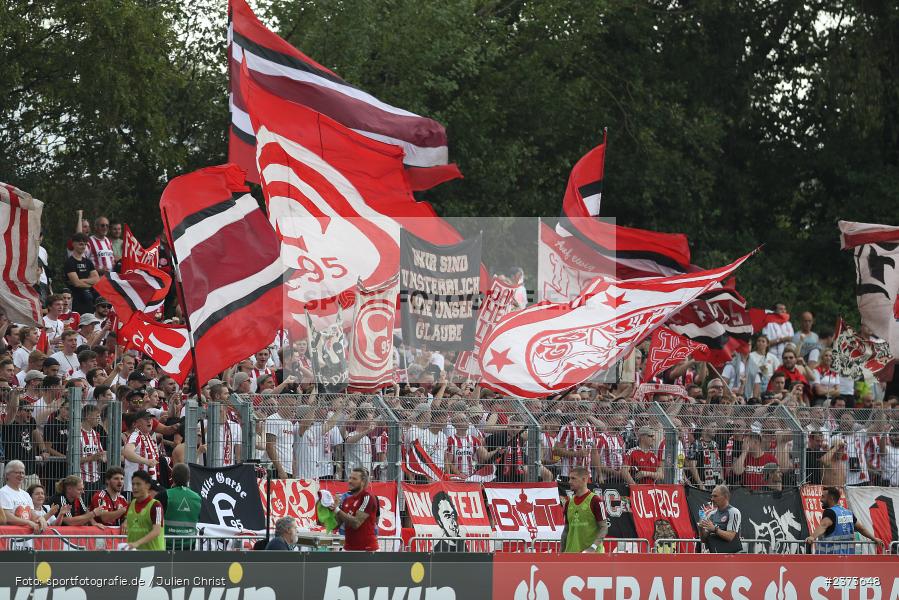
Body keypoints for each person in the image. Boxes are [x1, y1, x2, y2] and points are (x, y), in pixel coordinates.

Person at [806, 486, 884, 554]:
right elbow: (861, 528)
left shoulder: (830, 512)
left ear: (831, 498)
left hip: (830, 558)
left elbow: (823, 525)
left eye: (823, 496)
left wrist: (812, 537)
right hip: (847, 557)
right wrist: (874, 538)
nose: (820, 499)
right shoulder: (848, 512)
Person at [560, 466, 609, 553]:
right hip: (571, 554)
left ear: (584, 479)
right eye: (569, 478)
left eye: (573, 478)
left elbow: (604, 527)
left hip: (592, 557)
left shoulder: (596, 501)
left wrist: (593, 548)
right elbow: (566, 530)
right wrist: (560, 552)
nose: (569, 481)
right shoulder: (568, 503)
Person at [154, 463, 201, 550]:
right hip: (189, 545)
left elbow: (153, 519)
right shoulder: (197, 498)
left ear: (172, 477)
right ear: (188, 478)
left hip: (167, 545)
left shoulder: (164, 495)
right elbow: (198, 518)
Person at [331, 467, 379, 551]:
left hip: (366, 550)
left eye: (354, 479)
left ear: (363, 482)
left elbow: (356, 523)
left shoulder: (368, 497)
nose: (350, 481)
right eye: (350, 478)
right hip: (348, 548)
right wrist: (329, 508)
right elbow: (335, 525)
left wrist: (337, 510)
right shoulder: (346, 500)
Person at [0, 460, 47, 531]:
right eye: (17, 472)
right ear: (7, 475)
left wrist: (40, 518)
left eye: (23, 473)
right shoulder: (3, 492)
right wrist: (28, 522)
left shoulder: (26, 494)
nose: (21, 475)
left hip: (27, 539)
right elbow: (7, 517)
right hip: (12, 538)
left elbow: (32, 514)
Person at [123, 470, 165, 550]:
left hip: (153, 556)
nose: (134, 487)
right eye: (133, 484)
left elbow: (157, 531)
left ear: (148, 486)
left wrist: (137, 543)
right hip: (134, 555)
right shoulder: (130, 504)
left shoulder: (156, 506)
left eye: (138, 484)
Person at [698, 484, 742, 553]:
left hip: (729, 556)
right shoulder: (711, 514)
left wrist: (715, 529)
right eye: (712, 496)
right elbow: (704, 540)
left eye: (715, 496)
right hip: (714, 554)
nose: (712, 499)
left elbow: (730, 536)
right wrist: (701, 528)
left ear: (725, 497)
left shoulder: (733, 512)